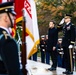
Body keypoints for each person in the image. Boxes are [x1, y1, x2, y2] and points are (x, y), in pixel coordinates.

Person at [0, 1, 22, 75]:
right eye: (12, 15)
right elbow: (14, 72)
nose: (15, 17)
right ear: (5, 18)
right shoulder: (7, 40)